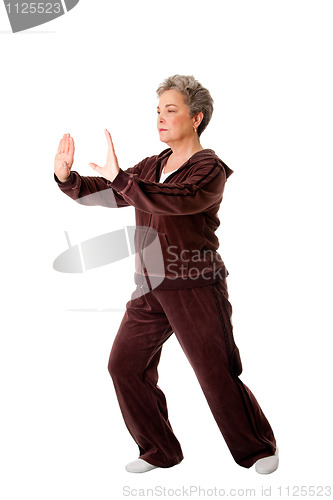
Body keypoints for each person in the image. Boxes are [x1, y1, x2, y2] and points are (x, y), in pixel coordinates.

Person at [54, 75, 279, 474]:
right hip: (151, 286)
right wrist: (67, 178)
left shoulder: (210, 168)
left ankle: (258, 449)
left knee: (215, 372)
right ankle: (159, 450)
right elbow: (112, 193)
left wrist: (122, 178)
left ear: (196, 118)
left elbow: (180, 201)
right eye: (157, 110)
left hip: (196, 285)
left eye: (170, 110)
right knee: (124, 365)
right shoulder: (152, 164)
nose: (160, 117)